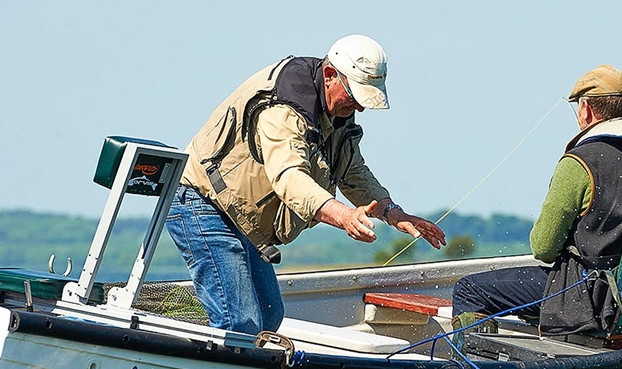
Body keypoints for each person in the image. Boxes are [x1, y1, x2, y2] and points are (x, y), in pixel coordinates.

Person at [168, 35, 446, 334]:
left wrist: (394, 213)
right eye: (355, 96)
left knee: (269, 317)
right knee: (240, 324)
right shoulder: (283, 108)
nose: (360, 109)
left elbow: (352, 171)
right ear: (330, 76)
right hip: (203, 203)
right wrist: (343, 216)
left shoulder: (338, 111)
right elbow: (289, 177)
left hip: (240, 217)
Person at [451, 64, 622, 338]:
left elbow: (544, 247)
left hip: (587, 298)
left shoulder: (579, 162)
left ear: (586, 110)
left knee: (469, 290)